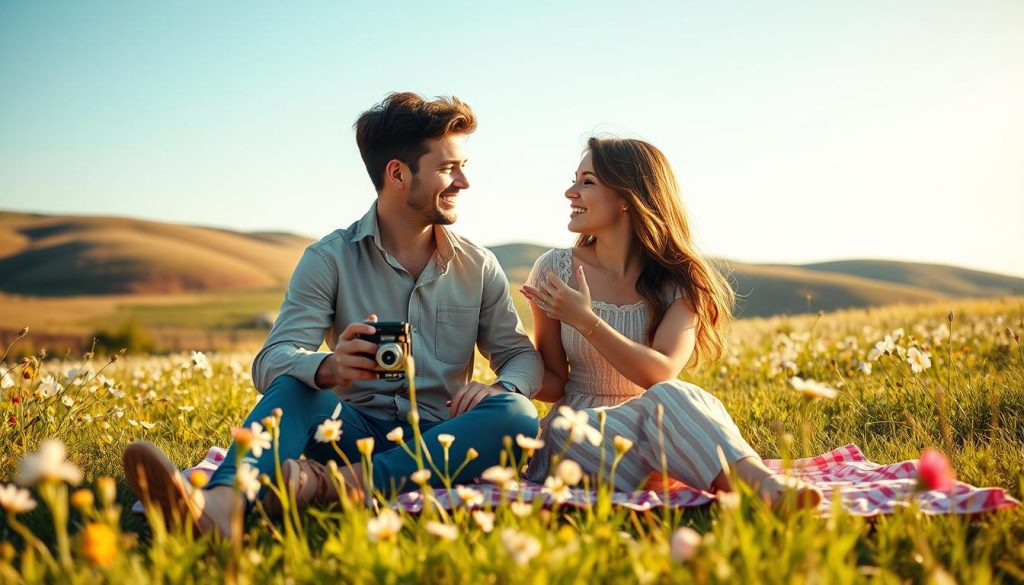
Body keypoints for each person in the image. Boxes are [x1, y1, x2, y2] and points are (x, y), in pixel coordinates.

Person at [124, 92, 543, 535]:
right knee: (296, 387)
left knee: (516, 414)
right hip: (348, 434)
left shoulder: (478, 265)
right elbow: (272, 359)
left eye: (463, 167)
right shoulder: (329, 258)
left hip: (442, 439)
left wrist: (501, 386)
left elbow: (521, 355)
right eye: (446, 168)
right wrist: (329, 367)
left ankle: (335, 486)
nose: (463, 182)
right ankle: (220, 507)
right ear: (398, 173)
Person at [519, 137, 822, 508]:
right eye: (575, 179)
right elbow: (554, 382)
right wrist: (506, 381)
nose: (570, 192)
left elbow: (661, 374)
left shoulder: (680, 281)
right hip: (579, 432)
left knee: (676, 394)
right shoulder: (555, 269)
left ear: (627, 198)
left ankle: (766, 490)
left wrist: (586, 320)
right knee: (668, 404)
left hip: (660, 424)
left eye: (587, 182)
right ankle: (749, 486)